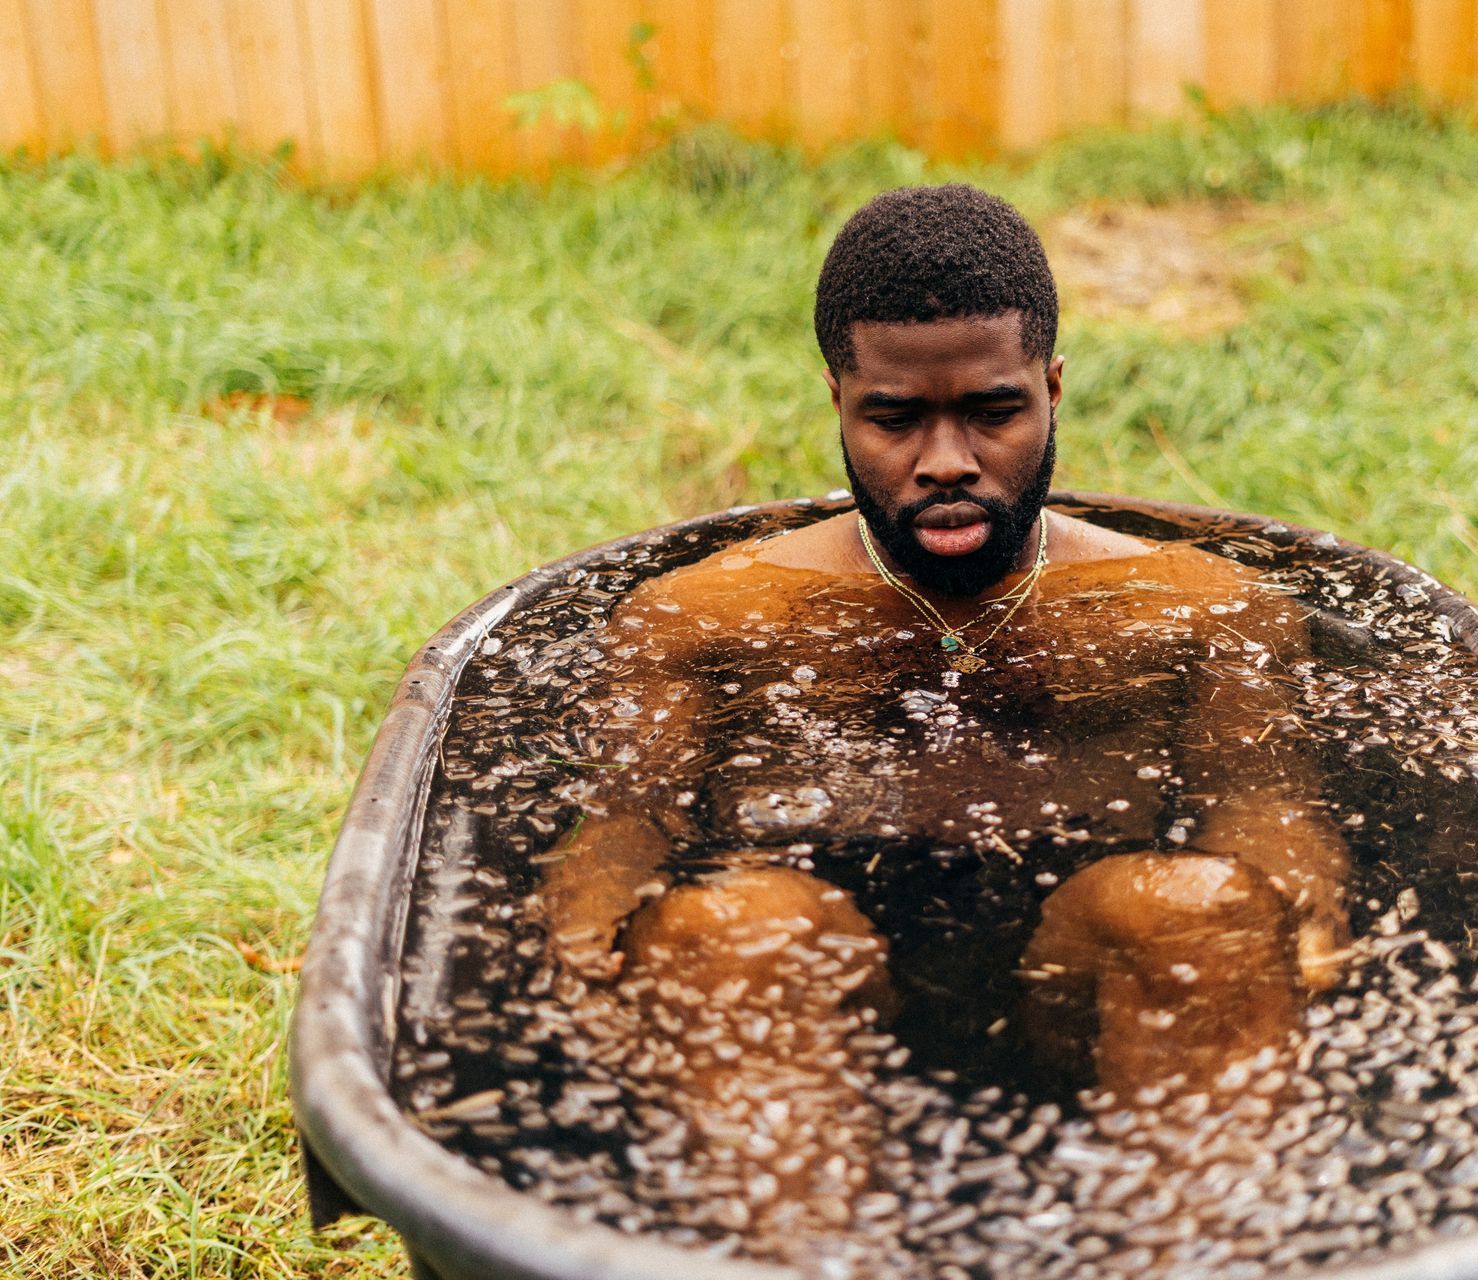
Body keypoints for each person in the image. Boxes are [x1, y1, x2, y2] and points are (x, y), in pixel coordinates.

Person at [540, 183, 1348, 1223]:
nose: (948, 461)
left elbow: (1262, 802)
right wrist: (590, 918)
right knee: (738, 923)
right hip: (802, 1015)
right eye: (896, 417)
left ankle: (1191, 1246)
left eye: (993, 410)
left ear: (1053, 388)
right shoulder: (707, 619)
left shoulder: (1198, 609)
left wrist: (1293, 902)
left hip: (1091, 998)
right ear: (837, 401)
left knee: (1195, 910)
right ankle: (809, 1244)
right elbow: (626, 816)